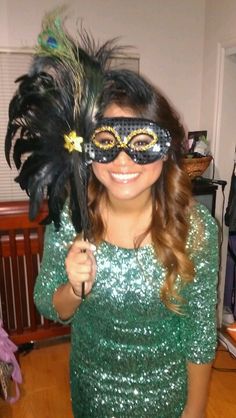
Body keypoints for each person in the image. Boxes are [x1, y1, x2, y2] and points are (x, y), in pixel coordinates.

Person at [5, 11, 219, 418]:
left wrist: (193, 413)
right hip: (91, 393)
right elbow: (52, 307)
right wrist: (74, 289)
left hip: (165, 401)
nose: (123, 160)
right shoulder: (71, 217)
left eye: (141, 141)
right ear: (86, 147)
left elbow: (199, 335)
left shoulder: (196, 230)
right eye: (106, 140)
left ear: (167, 147)